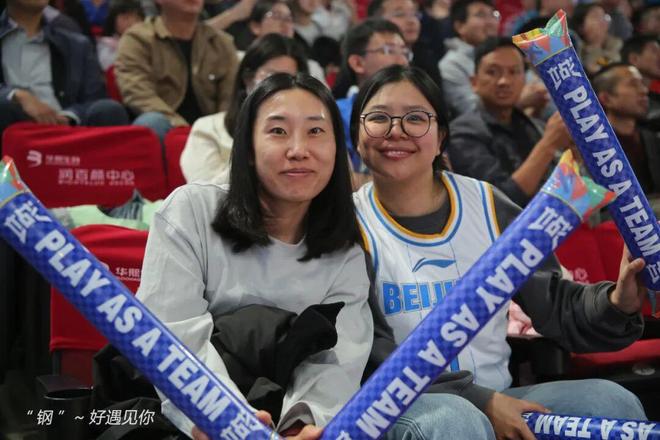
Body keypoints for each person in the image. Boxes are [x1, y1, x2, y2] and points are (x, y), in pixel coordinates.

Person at [350, 64, 648, 439]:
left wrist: (618, 302)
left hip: (499, 395)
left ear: (441, 138)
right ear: (357, 137)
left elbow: (554, 303)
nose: (396, 131)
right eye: (379, 118)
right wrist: (479, 400)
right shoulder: (346, 224)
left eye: (415, 118)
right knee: (453, 420)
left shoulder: (487, 203)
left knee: (611, 402)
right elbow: (368, 351)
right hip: (401, 408)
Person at [137, 73, 373, 439]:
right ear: (247, 148)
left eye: (315, 131)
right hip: (192, 420)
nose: (299, 149)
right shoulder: (191, 210)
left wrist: (302, 424)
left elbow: (336, 361)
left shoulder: (346, 252)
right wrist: (222, 417)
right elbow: (173, 330)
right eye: (278, 131)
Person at [448, 37, 570, 207]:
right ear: (474, 82)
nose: (504, 81)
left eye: (513, 72)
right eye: (493, 72)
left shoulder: (531, 124)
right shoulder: (462, 133)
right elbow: (500, 202)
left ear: (524, 80)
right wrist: (548, 144)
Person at [180, 33, 309, 183]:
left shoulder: (311, 132)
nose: (279, 89)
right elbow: (204, 190)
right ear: (248, 79)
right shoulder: (208, 129)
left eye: (289, 81)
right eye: (271, 78)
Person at [0, 0, 129, 147]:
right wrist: (15, 95)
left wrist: (68, 116)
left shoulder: (77, 45)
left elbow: (95, 99)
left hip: (66, 132)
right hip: (11, 131)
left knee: (110, 110)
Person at [114, 0, 238, 140]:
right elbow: (138, 94)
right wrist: (183, 129)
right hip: (167, 126)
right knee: (151, 122)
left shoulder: (220, 42)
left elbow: (230, 97)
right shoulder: (137, 39)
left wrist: (218, 129)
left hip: (212, 130)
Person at [334, 18, 409, 181]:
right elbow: (339, 180)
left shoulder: (422, 111)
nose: (402, 61)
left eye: (405, 52)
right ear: (357, 63)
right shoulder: (335, 114)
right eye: (388, 50)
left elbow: (440, 173)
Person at [593, 62, 660, 197]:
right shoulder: (595, 146)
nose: (644, 90)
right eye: (633, 84)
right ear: (606, 98)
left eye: (642, 83)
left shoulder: (652, 139)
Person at [439, 0, 499, 116]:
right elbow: (470, 109)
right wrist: (518, 102)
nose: (491, 22)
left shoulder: (504, 54)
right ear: (460, 26)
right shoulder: (451, 65)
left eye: (493, 15)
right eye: (481, 15)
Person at [571, 3, 622, 75]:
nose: (603, 21)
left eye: (604, 16)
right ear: (581, 27)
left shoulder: (615, 45)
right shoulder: (574, 48)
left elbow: (611, 64)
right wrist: (595, 45)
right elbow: (592, 68)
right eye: (595, 17)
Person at [96, 0, 144, 71]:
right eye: (126, 18)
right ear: (114, 21)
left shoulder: (148, 41)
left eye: (137, 19)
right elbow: (106, 66)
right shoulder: (106, 43)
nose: (132, 23)